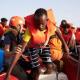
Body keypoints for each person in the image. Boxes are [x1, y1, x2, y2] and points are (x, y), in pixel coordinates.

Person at [6, 8, 69, 80]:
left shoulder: (51, 25)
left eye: (42, 24)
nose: (40, 26)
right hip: (33, 48)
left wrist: (65, 45)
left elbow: (57, 31)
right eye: (37, 24)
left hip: (44, 46)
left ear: (47, 20)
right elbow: (21, 49)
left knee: (50, 66)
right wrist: (8, 73)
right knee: (37, 70)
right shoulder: (29, 30)